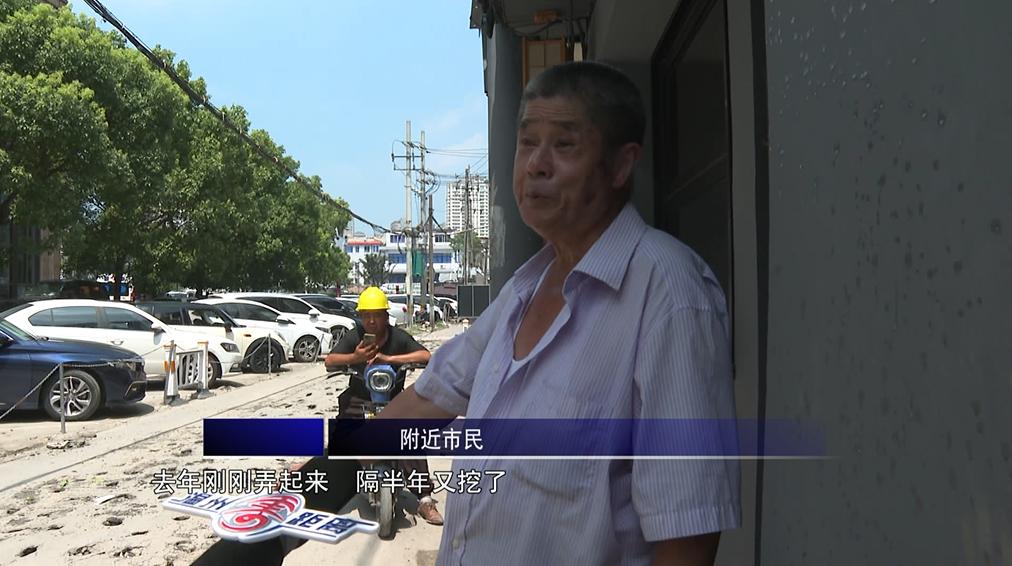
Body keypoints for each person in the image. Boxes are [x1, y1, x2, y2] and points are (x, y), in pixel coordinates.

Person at [376, 61, 740, 565]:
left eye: (564, 145)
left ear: (621, 166)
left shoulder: (670, 294)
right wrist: (302, 491)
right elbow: (427, 399)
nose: (536, 165)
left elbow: (688, 537)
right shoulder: (523, 290)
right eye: (527, 143)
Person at [325, 286, 443, 525]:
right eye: (366, 315)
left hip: (394, 398)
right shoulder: (355, 336)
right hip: (360, 398)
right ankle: (333, 484)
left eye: (377, 315)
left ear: (385, 316)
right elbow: (330, 360)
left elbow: (426, 356)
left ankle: (424, 499)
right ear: (360, 316)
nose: (371, 320)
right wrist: (355, 358)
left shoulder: (397, 336)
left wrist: (389, 359)